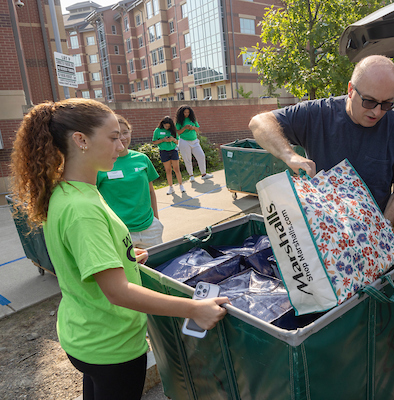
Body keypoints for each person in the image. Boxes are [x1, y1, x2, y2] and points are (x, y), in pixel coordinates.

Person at [9, 99, 229, 400]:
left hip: (85, 334)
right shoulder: (82, 208)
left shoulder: (69, 190)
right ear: (81, 140)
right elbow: (118, 292)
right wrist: (194, 309)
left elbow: (81, 257)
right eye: (113, 137)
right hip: (112, 346)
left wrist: (121, 255)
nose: (121, 143)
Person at [248, 55, 394, 226]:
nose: (377, 112)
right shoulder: (317, 114)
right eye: (369, 102)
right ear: (350, 90)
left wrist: (383, 228)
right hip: (322, 231)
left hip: (370, 233)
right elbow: (259, 123)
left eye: (387, 103)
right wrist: (289, 156)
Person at [97, 115, 163, 248]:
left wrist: (156, 220)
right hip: (120, 231)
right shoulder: (101, 165)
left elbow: (151, 191)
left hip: (150, 228)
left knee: (157, 266)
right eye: (116, 135)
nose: (122, 138)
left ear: (130, 131)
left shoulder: (142, 159)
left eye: (125, 132)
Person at [175, 105, 213, 182]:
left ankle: (204, 174)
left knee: (201, 155)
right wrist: (185, 128)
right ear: (181, 113)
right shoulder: (179, 121)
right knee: (187, 159)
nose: (186, 114)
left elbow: (197, 129)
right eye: (185, 112)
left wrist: (193, 127)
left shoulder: (193, 119)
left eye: (188, 112)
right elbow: (177, 132)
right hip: (184, 141)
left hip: (194, 140)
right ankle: (191, 175)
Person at [153, 116, 185, 195]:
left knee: (176, 169)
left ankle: (181, 185)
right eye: (165, 126)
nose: (167, 127)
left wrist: (173, 139)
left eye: (168, 126)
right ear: (162, 124)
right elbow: (154, 141)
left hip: (173, 150)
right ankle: (171, 187)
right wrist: (163, 140)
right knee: (168, 170)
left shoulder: (173, 130)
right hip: (164, 151)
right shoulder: (157, 130)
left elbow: (178, 142)